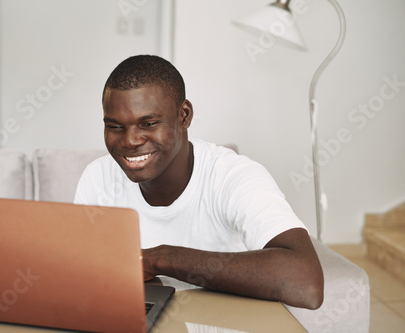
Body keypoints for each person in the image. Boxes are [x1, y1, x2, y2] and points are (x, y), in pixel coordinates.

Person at [74, 55, 324, 309]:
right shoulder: (98, 178)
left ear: (184, 115)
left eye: (148, 123)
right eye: (115, 126)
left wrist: (158, 259)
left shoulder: (234, 176)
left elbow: (306, 283)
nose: (130, 141)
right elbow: (83, 273)